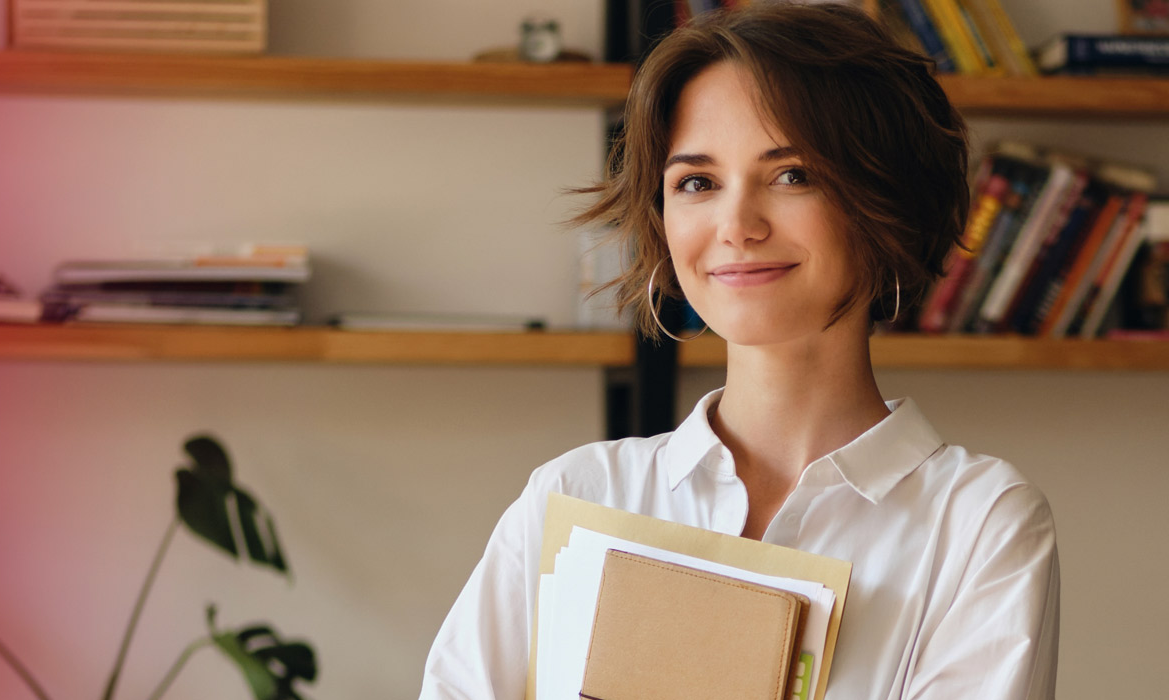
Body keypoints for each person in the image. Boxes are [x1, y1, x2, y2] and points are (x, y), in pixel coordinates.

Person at [418, 4, 1059, 699]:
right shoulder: (576, 495)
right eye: (697, 182)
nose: (736, 225)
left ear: (886, 200)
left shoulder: (979, 522)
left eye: (791, 175)